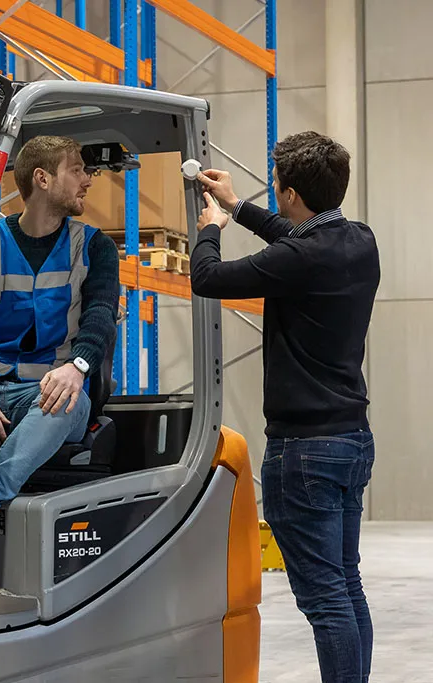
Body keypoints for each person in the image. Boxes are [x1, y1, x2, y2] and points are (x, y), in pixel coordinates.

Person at [190, 131, 380, 683]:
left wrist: (210, 229)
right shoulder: (359, 240)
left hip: (305, 453)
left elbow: (207, 278)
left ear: (291, 192)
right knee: (346, 585)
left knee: (326, 602)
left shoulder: (298, 256)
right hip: (351, 441)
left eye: (278, 192)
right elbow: (293, 238)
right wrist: (238, 206)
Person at [0, 135, 120, 580]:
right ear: (42, 178)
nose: (88, 180)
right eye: (77, 169)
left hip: (52, 388)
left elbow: (99, 319)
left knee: (61, 404)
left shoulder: (94, 247)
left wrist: (77, 369)